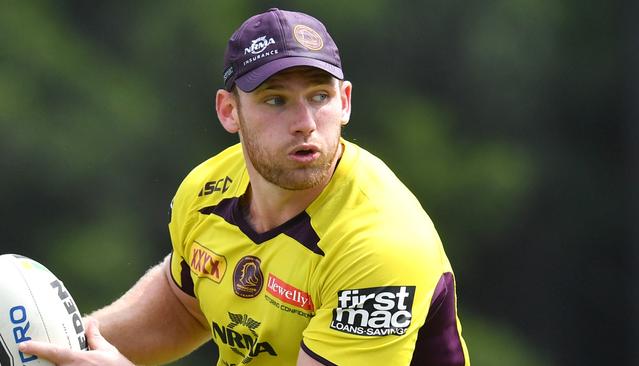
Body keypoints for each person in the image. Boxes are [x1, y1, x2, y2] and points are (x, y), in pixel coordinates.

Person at [20, 8, 470, 366]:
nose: (305, 124)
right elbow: (182, 308)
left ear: (346, 102)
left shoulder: (380, 244)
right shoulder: (207, 190)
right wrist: (58, 347)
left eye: (319, 97)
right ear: (228, 112)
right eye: (276, 100)